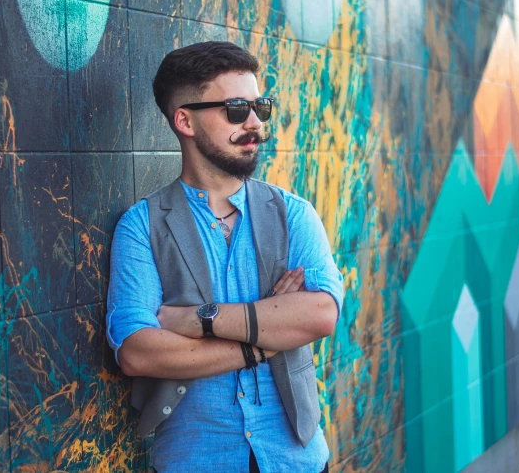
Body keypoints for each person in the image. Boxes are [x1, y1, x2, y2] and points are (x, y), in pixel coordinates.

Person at [106, 41, 344, 473]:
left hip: (298, 460)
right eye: (236, 109)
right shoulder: (141, 226)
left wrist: (199, 319)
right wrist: (264, 341)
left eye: (260, 106)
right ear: (185, 121)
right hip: (196, 460)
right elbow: (138, 352)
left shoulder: (293, 213)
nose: (254, 123)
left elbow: (321, 315)